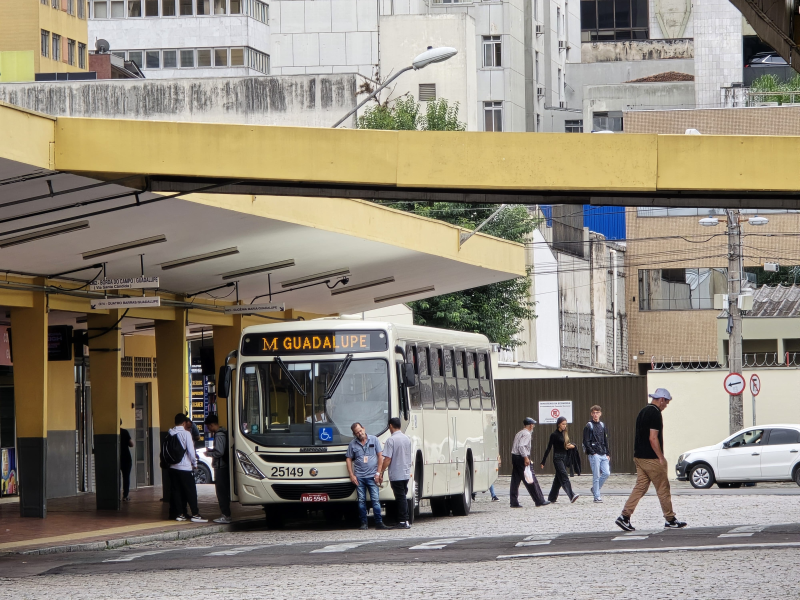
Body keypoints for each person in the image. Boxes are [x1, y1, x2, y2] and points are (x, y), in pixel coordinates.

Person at [616, 388, 687, 531]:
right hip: (651, 458)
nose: (666, 405)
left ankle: (624, 516)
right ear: (661, 399)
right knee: (663, 488)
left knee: (641, 487)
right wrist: (661, 457)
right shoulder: (655, 413)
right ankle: (670, 519)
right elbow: (653, 438)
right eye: (666, 402)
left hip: (639, 456)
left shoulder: (643, 411)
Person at [346, 422, 389, 530]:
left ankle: (379, 523)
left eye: (360, 431)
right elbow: (348, 458)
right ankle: (363, 523)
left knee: (375, 500)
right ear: (354, 434)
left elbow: (380, 456)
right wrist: (352, 475)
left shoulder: (374, 439)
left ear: (364, 428)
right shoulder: (353, 444)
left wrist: (378, 473)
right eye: (357, 432)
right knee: (361, 501)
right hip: (359, 477)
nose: (360, 433)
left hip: (372, 476)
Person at [168, 413, 207, 523]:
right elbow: (191, 451)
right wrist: (194, 463)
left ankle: (180, 514)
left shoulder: (170, 433)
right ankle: (195, 513)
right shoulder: (186, 434)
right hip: (185, 467)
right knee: (190, 491)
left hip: (173, 467)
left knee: (177, 491)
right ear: (184, 423)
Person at [378, 417, 412, 529]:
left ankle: (403, 520)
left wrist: (381, 471)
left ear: (391, 426)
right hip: (406, 472)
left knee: (400, 497)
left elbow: (387, 459)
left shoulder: (391, 440)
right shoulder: (407, 438)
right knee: (403, 495)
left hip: (396, 473)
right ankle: (406, 520)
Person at [509, 417, 549, 508]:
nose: (533, 426)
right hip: (521, 457)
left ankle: (513, 501)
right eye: (533, 425)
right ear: (531, 425)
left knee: (515, 480)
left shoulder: (519, 433)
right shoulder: (527, 434)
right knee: (530, 479)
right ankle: (539, 500)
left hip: (515, 457)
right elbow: (521, 446)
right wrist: (526, 458)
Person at [540, 417, 580, 504]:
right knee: (564, 475)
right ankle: (571, 495)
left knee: (558, 479)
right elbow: (549, 448)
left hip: (564, 458)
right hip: (557, 458)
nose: (564, 426)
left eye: (565, 424)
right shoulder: (554, 435)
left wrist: (572, 446)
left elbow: (566, 445)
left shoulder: (564, 434)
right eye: (563, 424)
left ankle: (552, 497)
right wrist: (543, 461)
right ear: (558, 424)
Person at [204, 414, 231, 524]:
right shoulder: (224, 433)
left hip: (221, 467)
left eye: (208, 427)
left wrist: (209, 453)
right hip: (224, 466)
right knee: (223, 491)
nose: (209, 430)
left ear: (211, 425)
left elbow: (219, 452)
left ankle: (226, 515)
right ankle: (226, 514)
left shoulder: (219, 435)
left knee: (221, 492)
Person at [583, 405, 611, 503]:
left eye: (597, 412)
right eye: (594, 413)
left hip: (603, 453)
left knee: (607, 473)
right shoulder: (588, 426)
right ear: (591, 414)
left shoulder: (602, 425)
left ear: (600, 413)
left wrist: (607, 453)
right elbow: (586, 441)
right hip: (594, 454)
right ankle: (597, 496)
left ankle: (595, 489)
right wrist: (593, 453)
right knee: (596, 475)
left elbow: (605, 440)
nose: (595, 414)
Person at [120, 420, 134, 502]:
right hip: (126, 458)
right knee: (126, 477)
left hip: (116, 458)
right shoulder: (124, 432)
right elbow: (131, 444)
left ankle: (115, 495)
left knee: (115, 478)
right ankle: (125, 495)